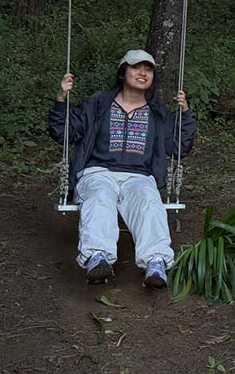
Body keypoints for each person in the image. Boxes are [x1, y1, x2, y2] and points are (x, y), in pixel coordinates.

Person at [48, 49, 196, 288]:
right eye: (136, 67)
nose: (143, 73)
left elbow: (179, 146)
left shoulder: (157, 113)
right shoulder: (98, 104)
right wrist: (61, 99)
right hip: (97, 171)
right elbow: (64, 133)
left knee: (149, 201)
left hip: (139, 176)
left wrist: (185, 113)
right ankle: (98, 257)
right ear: (122, 72)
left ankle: (155, 262)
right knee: (100, 197)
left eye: (148, 69)